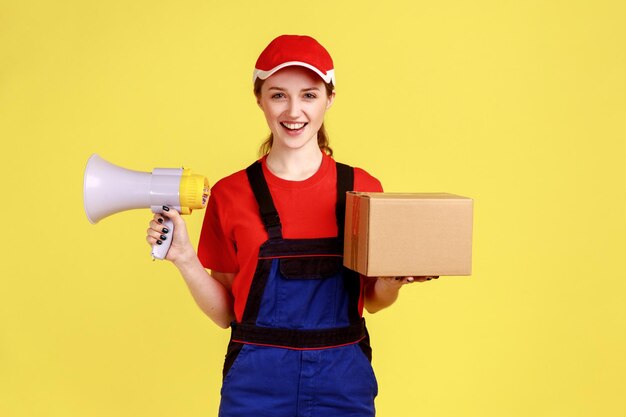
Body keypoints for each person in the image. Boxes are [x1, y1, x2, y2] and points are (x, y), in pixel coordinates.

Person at [146, 34, 438, 417]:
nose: (293, 111)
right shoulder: (230, 193)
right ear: (260, 99)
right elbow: (226, 314)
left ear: (329, 98)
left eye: (309, 95)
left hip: (343, 381)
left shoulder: (363, 189)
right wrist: (183, 257)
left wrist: (393, 279)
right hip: (256, 385)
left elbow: (373, 300)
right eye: (278, 95)